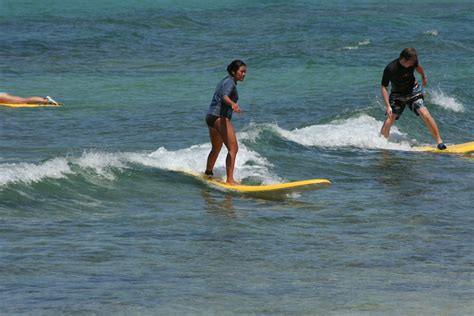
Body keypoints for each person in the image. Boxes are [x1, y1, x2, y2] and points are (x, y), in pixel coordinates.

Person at [380, 47, 447, 150]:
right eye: (410, 63)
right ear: (403, 59)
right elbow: (384, 87)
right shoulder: (391, 68)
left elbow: (418, 67)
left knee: (425, 114)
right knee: (390, 118)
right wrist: (388, 106)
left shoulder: (413, 61)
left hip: (413, 91)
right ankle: (381, 145)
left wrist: (423, 76)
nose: (412, 64)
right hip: (397, 95)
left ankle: (439, 142)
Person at [204, 60, 247, 185]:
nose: (244, 74)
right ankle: (230, 180)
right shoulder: (230, 83)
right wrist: (232, 103)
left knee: (216, 147)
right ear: (233, 72)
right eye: (242, 71)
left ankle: (208, 173)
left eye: (245, 72)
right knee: (233, 148)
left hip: (211, 117)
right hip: (220, 118)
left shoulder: (224, 81)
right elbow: (224, 96)